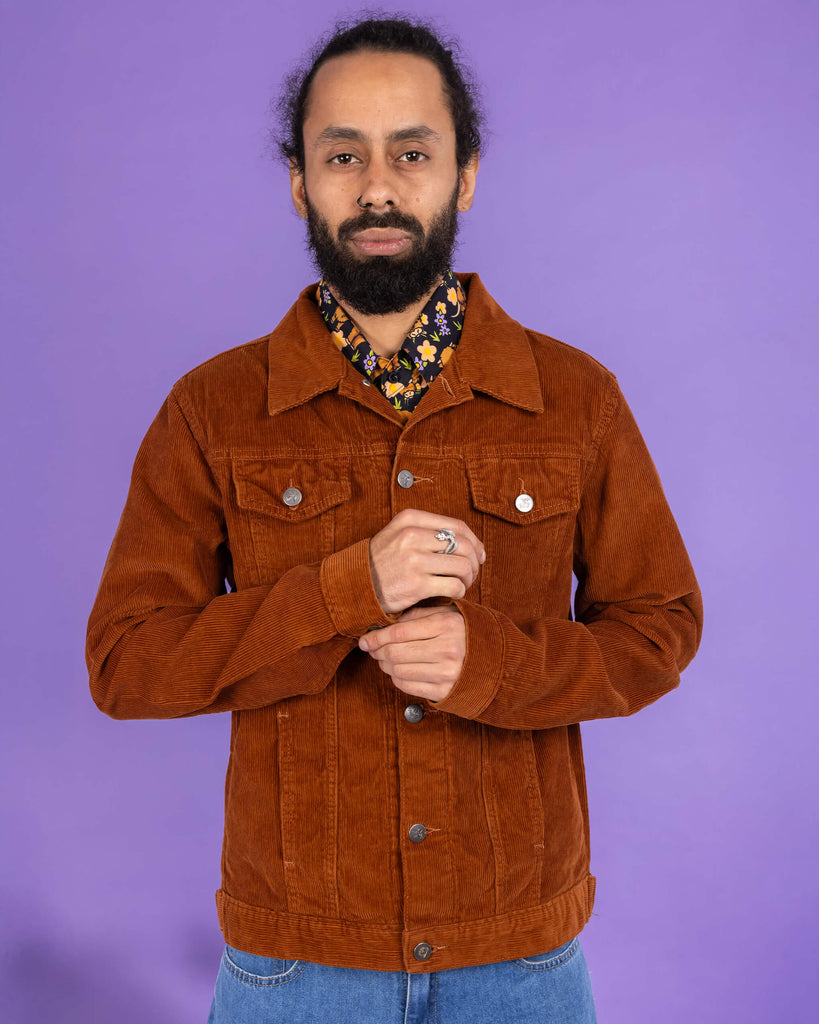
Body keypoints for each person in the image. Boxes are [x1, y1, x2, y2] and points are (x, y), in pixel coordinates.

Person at [86, 15, 702, 1024]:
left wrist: (492, 663)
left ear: (463, 175)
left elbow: (659, 626)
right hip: (297, 962)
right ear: (300, 181)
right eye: (344, 155)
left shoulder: (577, 398)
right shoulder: (211, 410)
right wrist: (343, 592)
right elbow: (126, 662)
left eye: (412, 152)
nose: (377, 187)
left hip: (523, 961)